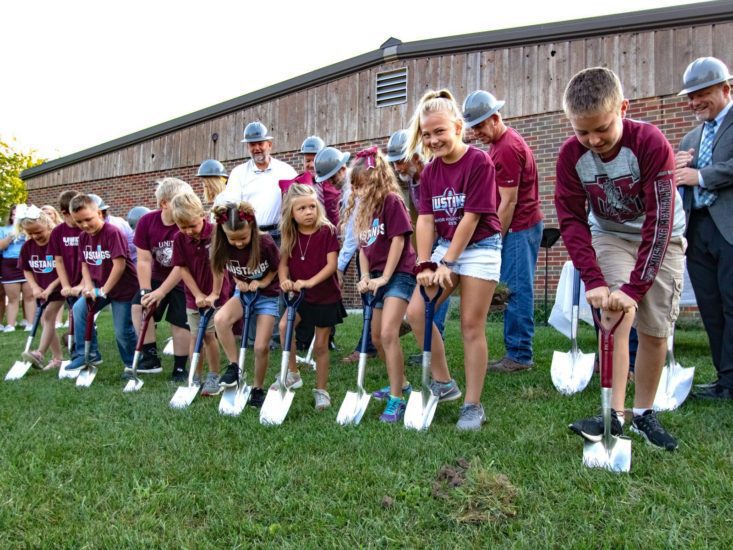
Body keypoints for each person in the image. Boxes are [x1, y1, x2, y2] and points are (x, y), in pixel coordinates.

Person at [556, 67, 685, 451]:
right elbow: (572, 219)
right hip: (610, 234)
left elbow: (659, 222)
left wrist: (637, 287)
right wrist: (593, 278)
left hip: (662, 237)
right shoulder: (570, 156)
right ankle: (613, 415)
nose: (593, 140)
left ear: (623, 109)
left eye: (602, 129)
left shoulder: (650, 142)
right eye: (583, 132)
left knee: (655, 330)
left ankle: (643, 412)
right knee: (613, 312)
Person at [405, 89, 502, 431]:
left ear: (458, 127)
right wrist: (425, 263)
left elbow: (472, 217)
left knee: (470, 325)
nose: (433, 140)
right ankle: (444, 382)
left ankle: (473, 405)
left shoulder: (479, 162)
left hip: (480, 245)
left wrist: (446, 263)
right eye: (427, 134)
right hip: (445, 244)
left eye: (439, 131)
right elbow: (427, 221)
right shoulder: (430, 173)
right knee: (416, 313)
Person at [463, 90, 544, 372]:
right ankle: (517, 350)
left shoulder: (507, 148)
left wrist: (494, 239)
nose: (477, 133)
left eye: (481, 126)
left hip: (520, 226)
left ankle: (520, 355)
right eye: (474, 128)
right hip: (518, 226)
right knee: (513, 288)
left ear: (496, 118)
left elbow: (508, 202)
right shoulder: (498, 144)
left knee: (516, 289)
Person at [341, 147, 417, 423]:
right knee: (375, 338)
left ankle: (397, 399)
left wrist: (384, 276)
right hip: (375, 275)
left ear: (377, 179)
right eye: (355, 186)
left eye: (362, 186)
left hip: (399, 274)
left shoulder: (392, 202)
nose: (358, 192)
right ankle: (402, 383)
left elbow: (398, 240)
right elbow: (363, 248)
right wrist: (364, 276)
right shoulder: (364, 211)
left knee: (388, 333)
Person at [675, 57, 733, 401]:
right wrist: (676, 167)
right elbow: (680, 182)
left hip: (729, 229)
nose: (695, 102)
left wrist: (701, 175)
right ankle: (724, 380)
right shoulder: (690, 137)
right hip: (698, 230)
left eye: (702, 94)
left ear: (726, 89)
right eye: (690, 96)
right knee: (710, 306)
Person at [276, 184, 346, 410]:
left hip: (325, 296)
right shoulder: (290, 234)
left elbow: (331, 265)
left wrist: (308, 282)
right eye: (302, 208)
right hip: (299, 297)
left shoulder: (327, 231)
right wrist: (285, 280)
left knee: (321, 346)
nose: (308, 212)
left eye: (312, 206)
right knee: (285, 327)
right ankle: (293, 373)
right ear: (291, 213)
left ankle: (322, 390)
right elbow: (283, 265)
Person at [211, 200, 279, 409]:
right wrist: (238, 282)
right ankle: (235, 366)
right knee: (220, 320)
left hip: (267, 295)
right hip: (243, 293)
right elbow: (225, 269)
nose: (238, 243)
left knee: (260, 347)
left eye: (243, 238)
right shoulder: (222, 245)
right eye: (233, 239)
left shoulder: (266, 243)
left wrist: (262, 282)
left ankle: (258, 388)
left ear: (252, 228)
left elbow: (277, 268)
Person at [386, 129, 450, 345]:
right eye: (394, 163)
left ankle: (434, 335)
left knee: (436, 289)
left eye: (401, 161)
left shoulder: (430, 175)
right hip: (429, 242)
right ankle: (428, 340)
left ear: (415, 156)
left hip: (444, 240)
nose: (397, 167)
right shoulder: (413, 179)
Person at [65, 194, 139, 374]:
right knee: (79, 309)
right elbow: (85, 265)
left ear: (99, 213)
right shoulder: (83, 237)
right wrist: (89, 287)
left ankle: (132, 364)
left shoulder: (112, 232)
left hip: (124, 289)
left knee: (122, 330)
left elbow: (119, 265)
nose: (84, 225)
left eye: (88, 219)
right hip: (99, 287)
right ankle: (87, 354)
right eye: (78, 222)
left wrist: (104, 290)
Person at [169, 191, 231, 396]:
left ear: (203, 216)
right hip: (192, 297)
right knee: (195, 336)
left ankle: (213, 375)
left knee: (209, 335)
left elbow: (218, 266)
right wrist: (196, 294)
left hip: (217, 295)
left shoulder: (216, 233)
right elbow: (182, 268)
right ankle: (195, 375)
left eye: (192, 225)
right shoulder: (179, 239)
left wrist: (213, 294)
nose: (188, 231)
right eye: (182, 226)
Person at [133, 178, 192, 380]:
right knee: (138, 306)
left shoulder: (185, 223)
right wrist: (146, 290)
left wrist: (162, 292)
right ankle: (150, 357)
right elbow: (143, 259)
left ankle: (180, 368)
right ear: (164, 203)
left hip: (185, 279)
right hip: (158, 276)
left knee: (180, 321)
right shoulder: (147, 222)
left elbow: (181, 265)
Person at [17, 206, 64, 370]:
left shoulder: (57, 242)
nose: (35, 236)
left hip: (61, 287)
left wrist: (51, 286)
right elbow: (27, 270)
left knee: (48, 317)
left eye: (38, 231)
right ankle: (58, 359)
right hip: (43, 289)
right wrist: (35, 287)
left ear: (47, 224)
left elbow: (66, 268)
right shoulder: (28, 247)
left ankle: (39, 353)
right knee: (47, 322)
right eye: (30, 233)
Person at [0, 205, 36, 331]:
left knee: (29, 296)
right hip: (10, 263)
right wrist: (12, 234)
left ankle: (30, 324)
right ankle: (10, 324)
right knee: (12, 298)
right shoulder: (4, 229)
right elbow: (1, 246)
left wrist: (27, 231)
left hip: (27, 262)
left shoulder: (31, 229)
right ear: (11, 216)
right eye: (15, 214)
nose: (17, 216)